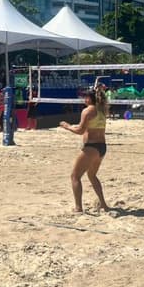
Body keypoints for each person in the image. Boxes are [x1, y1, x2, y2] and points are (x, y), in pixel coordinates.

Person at [59, 84, 110, 214]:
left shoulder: (87, 111)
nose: (83, 99)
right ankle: (103, 204)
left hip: (91, 147)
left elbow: (80, 131)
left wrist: (67, 126)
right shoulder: (102, 110)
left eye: (85, 97)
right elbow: (89, 127)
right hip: (102, 147)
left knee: (75, 176)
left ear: (89, 98)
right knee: (92, 175)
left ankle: (78, 208)